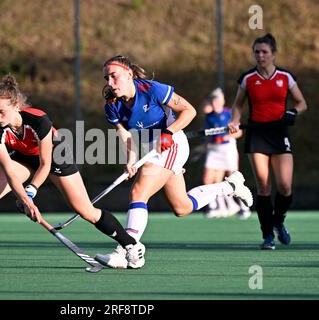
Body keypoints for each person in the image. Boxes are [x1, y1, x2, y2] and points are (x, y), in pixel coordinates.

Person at [0, 74, 146, 268]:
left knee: (86, 210)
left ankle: (131, 246)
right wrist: (24, 199)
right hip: (21, 157)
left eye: (1, 111)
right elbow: (10, 172)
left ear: (16, 106)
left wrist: (30, 193)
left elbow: (45, 164)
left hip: (54, 155)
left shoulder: (38, 120)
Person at [94, 55, 253, 268]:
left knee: (138, 192)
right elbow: (127, 135)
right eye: (107, 78)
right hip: (151, 150)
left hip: (172, 143)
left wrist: (168, 132)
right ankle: (230, 186)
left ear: (129, 74)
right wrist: (131, 160)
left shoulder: (152, 89)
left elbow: (189, 111)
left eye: (114, 76)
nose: (110, 83)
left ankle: (127, 250)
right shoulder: (112, 105)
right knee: (182, 207)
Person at [228, 33, 307, 250]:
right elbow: (238, 105)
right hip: (257, 135)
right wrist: (235, 120)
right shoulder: (247, 79)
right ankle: (267, 236)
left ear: (273, 54)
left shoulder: (286, 77)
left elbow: (301, 103)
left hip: (279, 133)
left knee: (285, 186)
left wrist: (293, 112)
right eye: (257, 52)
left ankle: (278, 221)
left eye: (264, 52)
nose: (260, 56)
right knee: (263, 186)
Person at [202, 88, 250, 219]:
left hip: (228, 149)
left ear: (222, 101)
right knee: (208, 180)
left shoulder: (229, 114)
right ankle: (213, 207)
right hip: (213, 150)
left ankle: (244, 208)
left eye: (218, 101)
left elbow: (239, 132)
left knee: (233, 179)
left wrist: (226, 137)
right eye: (214, 101)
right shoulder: (209, 116)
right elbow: (206, 135)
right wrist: (206, 144)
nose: (216, 103)